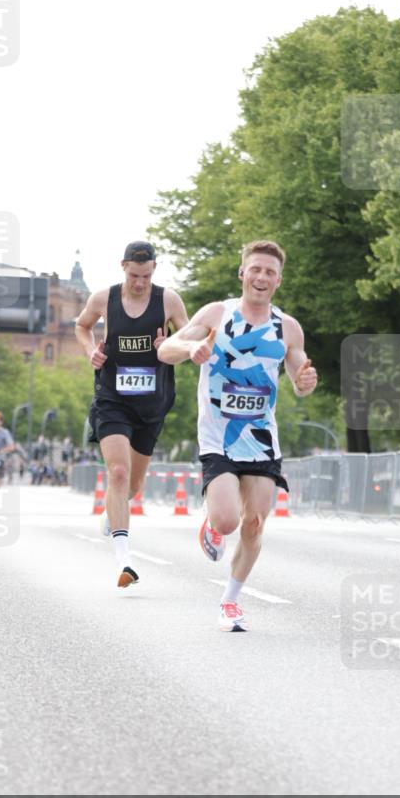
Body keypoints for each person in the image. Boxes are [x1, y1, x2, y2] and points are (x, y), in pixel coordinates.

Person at [158, 239, 318, 632]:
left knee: (255, 523)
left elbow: (299, 373)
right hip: (219, 438)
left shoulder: (287, 327)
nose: (261, 277)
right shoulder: (217, 313)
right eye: (255, 269)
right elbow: (167, 349)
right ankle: (214, 522)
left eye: (270, 272)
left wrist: (305, 381)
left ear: (278, 280)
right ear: (242, 273)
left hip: (261, 439)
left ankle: (230, 601)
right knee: (229, 521)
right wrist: (191, 347)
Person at [75, 240, 188, 588]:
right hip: (112, 399)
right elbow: (81, 326)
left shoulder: (168, 300)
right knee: (119, 471)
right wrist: (90, 351)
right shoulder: (103, 299)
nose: (140, 283)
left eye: (146, 276)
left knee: (133, 486)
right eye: (134, 275)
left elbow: (190, 343)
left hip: (152, 405)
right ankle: (124, 559)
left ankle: (114, 511)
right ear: (123, 266)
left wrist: (170, 346)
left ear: (154, 270)